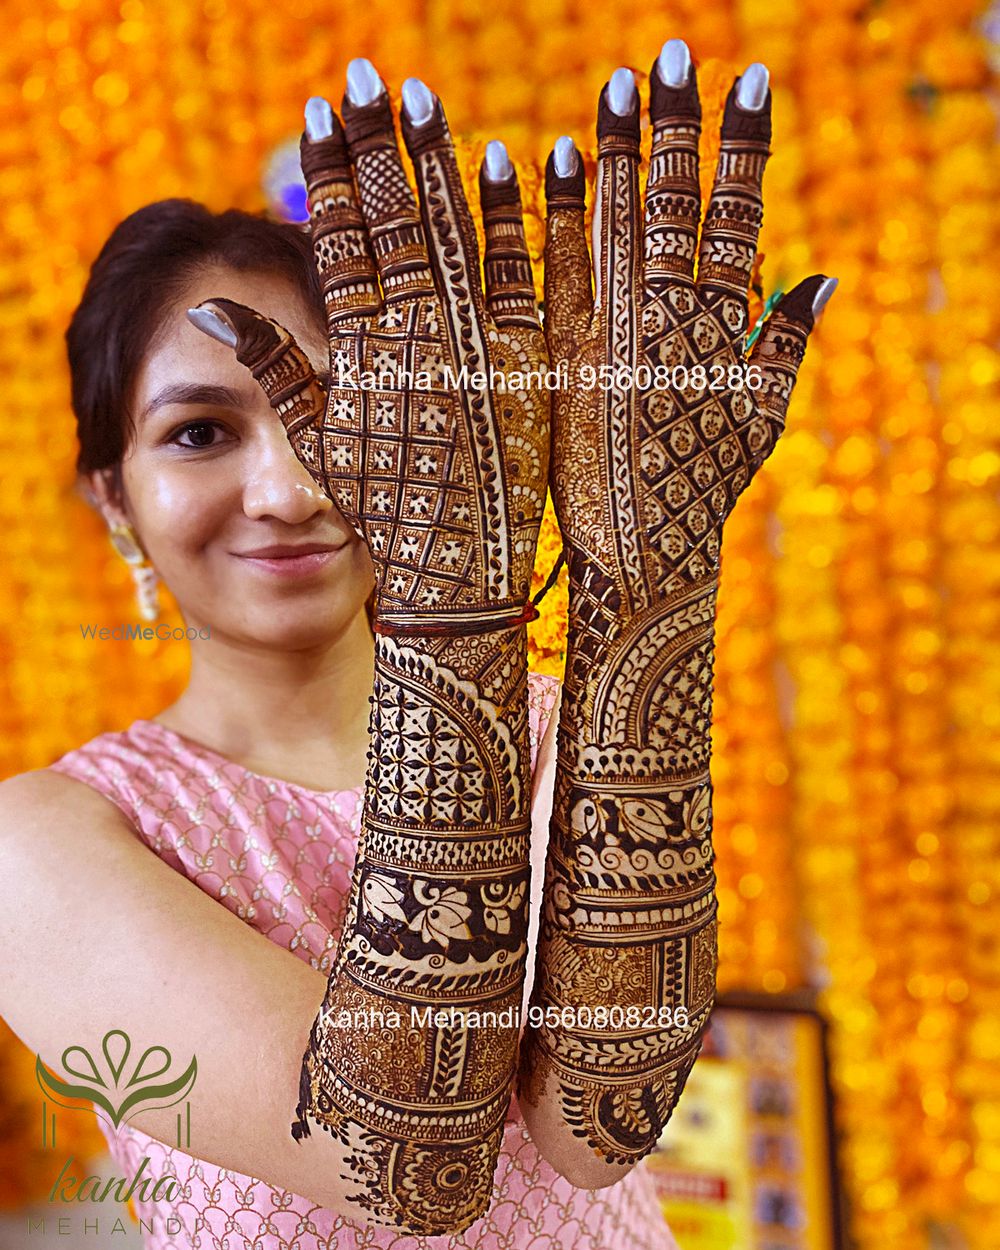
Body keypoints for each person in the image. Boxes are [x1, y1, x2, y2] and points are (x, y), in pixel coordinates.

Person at [0, 59, 679, 1250]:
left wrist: (648, 572)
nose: (290, 484)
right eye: (201, 430)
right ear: (116, 501)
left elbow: (597, 1125)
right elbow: (421, 1147)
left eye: (348, 412)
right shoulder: (49, 846)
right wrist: (459, 611)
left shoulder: (562, 726)